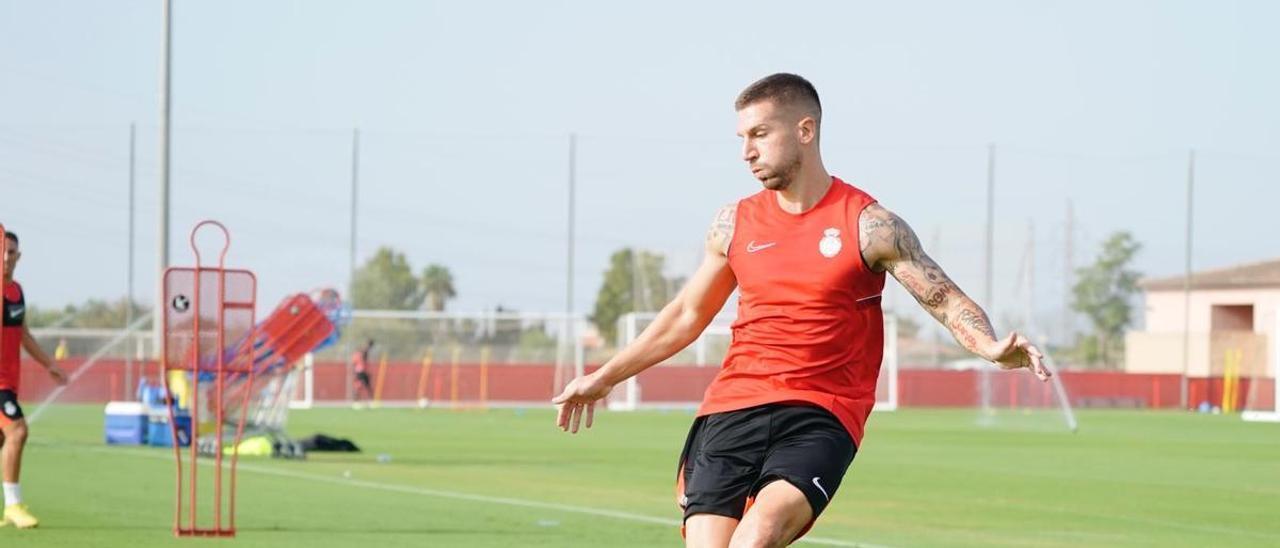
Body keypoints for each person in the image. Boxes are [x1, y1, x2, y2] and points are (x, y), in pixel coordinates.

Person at [552, 73, 1050, 548]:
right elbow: (687, 314)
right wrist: (606, 376)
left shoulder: (869, 225)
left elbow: (941, 296)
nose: (747, 151)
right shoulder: (733, 224)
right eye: (742, 137)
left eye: (760, 134)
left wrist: (989, 346)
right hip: (730, 409)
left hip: (820, 413)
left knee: (756, 536)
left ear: (805, 131)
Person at [0, 230, 68, 529]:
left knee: (4, 440)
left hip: (10, 380)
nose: (5, 258)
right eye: (2, 251)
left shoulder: (17, 291)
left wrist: (49, 365)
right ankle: (14, 506)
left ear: (19, 256)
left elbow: (24, 335)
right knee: (18, 431)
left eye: (11, 252)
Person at [352, 339, 375, 407]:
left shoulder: (363, 353)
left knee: (368, 386)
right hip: (359, 372)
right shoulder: (359, 354)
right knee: (358, 387)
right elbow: (355, 364)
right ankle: (356, 403)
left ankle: (371, 402)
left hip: (364, 371)